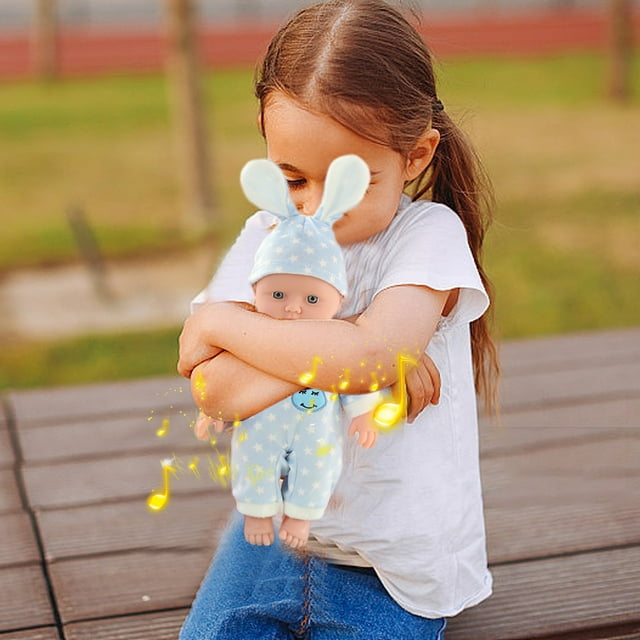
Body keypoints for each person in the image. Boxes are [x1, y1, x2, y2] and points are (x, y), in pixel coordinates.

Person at [178, 0, 499, 637]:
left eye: (348, 183)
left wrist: (223, 324)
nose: (314, 210)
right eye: (293, 178)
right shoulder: (265, 231)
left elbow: (371, 357)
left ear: (415, 154)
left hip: (395, 559)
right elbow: (216, 388)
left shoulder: (428, 235)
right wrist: (354, 356)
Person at [195, 155, 383, 550]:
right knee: (253, 458)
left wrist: (363, 412)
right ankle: (257, 510)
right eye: (277, 294)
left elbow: (353, 374)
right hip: (261, 420)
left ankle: (300, 516)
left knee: (318, 464)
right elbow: (220, 365)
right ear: (256, 291)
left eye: (312, 298)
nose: (294, 307)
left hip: (316, 425)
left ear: (337, 299)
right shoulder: (253, 333)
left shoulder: (334, 334)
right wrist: (209, 408)